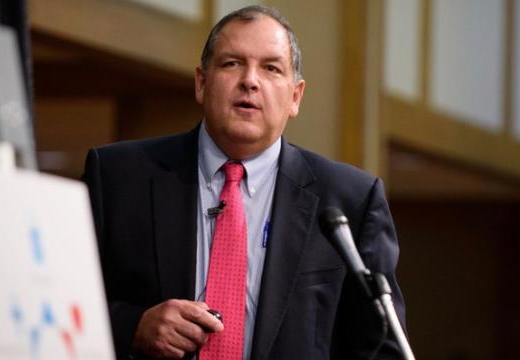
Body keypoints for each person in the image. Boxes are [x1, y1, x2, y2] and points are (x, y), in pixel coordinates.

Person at [83, 5, 405, 360]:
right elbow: (63, 302)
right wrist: (134, 327)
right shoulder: (118, 176)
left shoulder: (350, 199)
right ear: (201, 83)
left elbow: (381, 346)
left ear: (295, 97)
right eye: (232, 63)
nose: (250, 80)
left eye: (271, 68)